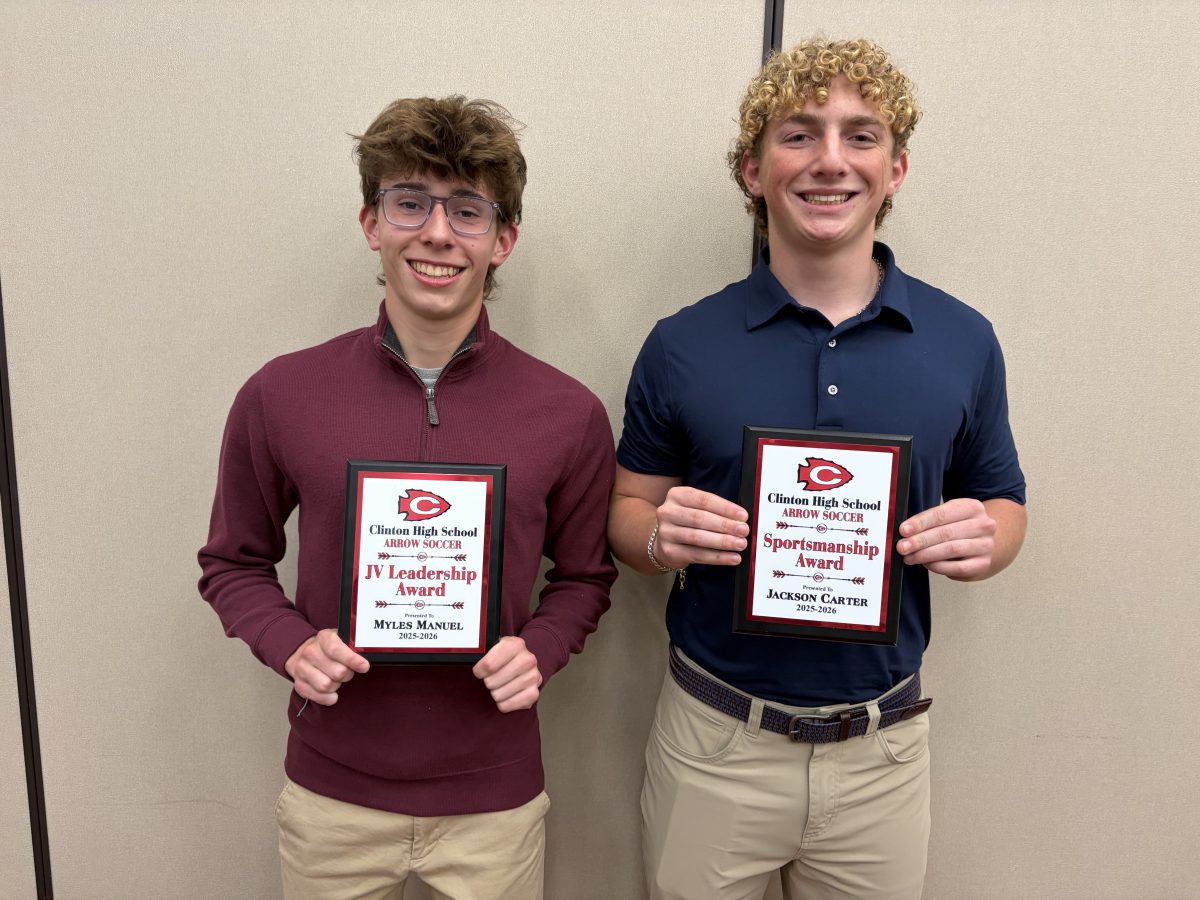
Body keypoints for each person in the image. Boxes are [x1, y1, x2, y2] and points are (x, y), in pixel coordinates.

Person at [608, 38, 1027, 900]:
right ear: (752, 171)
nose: (830, 160)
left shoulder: (964, 340)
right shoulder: (682, 344)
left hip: (882, 754)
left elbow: (1004, 503)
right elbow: (626, 510)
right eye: (799, 134)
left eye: (860, 136)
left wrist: (990, 540)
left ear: (895, 168)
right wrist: (656, 538)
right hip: (714, 743)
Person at [198, 95, 616, 900]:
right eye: (411, 202)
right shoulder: (282, 393)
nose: (437, 232)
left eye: (467, 209)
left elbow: (586, 577)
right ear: (372, 223)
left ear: (502, 240)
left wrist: (541, 648)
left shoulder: (567, 412)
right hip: (332, 799)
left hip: (494, 802)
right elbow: (232, 563)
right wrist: (290, 643)